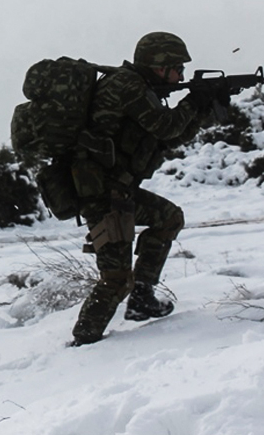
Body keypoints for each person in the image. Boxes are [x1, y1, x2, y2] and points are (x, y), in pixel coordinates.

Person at [69, 31, 215, 346]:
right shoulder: (126, 86)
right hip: (102, 195)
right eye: (177, 68)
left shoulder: (141, 88)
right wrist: (195, 100)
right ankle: (84, 341)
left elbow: (168, 138)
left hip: (117, 190)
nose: (181, 75)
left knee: (168, 218)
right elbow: (166, 125)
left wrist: (202, 109)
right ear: (158, 65)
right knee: (117, 279)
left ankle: (142, 297)